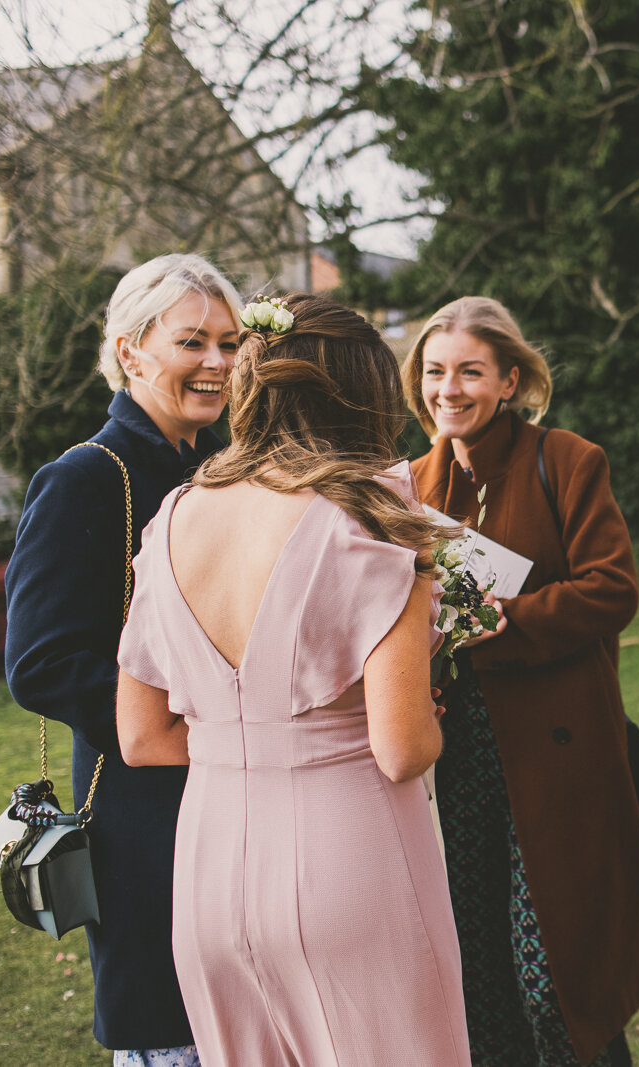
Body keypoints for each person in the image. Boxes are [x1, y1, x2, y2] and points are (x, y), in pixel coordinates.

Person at [112, 293, 469, 1066]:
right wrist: (427, 713)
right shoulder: (377, 515)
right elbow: (403, 747)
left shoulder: (173, 515)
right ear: (364, 397)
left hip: (209, 874)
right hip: (350, 860)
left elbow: (140, 737)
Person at [405, 295, 639, 1067]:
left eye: (469, 372)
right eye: (434, 371)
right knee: (479, 973)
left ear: (511, 380)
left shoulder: (568, 460)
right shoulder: (411, 483)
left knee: (550, 973)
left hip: (557, 755)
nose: (448, 389)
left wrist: (508, 618)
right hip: (457, 761)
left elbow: (613, 589)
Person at [4, 253, 242, 1065]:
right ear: (132, 350)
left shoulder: (223, 472)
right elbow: (41, 659)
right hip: (147, 817)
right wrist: (176, 725)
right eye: (192, 341)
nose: (216, 362)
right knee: (176, 1036)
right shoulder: (85, 478)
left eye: (229, 342)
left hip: (244, 796)